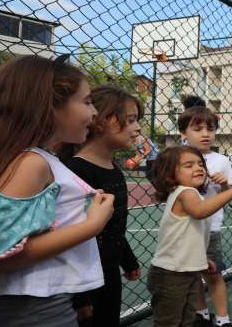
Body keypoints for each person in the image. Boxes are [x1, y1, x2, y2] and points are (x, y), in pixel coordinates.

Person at [0, 55, 114, 325]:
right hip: (30, 309)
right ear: (50, 106)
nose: (94, 113)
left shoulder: (35, 158)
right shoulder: (31, 163)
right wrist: (93, 224)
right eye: (86, 102)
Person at [146, 146, 232, 327]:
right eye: (189, 165)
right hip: (170, 274)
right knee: (169, 321)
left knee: (186, 318)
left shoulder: (193, 193)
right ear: (169, 175)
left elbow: (190, 236)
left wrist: (202, 258)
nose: (198, 168)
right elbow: (200, 212)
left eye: (200, 164)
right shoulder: (185, 193)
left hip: (185, 270)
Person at [61, 86, 142, 326]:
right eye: (130, 120)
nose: (137, 128)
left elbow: (112, 223)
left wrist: (126, 259)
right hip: (83, 280)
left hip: (108, 272)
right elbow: (71, 234)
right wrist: (80, 295)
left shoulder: (114, 168)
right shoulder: (76, 170)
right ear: (100, 121)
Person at [178, 105, 232, 327]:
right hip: (184, 228)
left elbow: (230, 193)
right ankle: (201, 314)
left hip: (209, 228)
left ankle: (222, 319)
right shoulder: (176, 158)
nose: (206, 134)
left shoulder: (221, 160)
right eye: (198, 129)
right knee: (192, 276)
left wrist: (223, 185)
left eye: (210, 129)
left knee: (214, 274)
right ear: (183, 133)